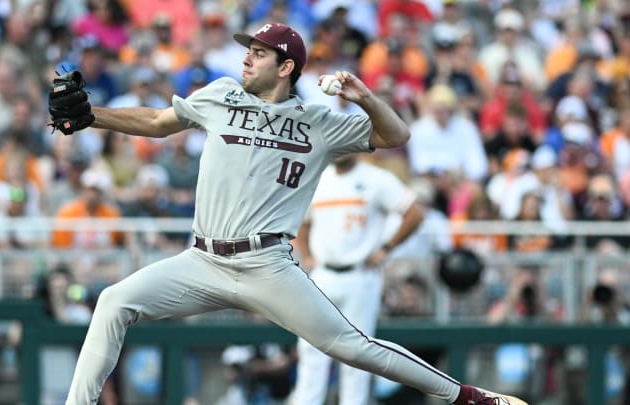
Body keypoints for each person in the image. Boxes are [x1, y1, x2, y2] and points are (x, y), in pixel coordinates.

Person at [52, 22, 527, 405]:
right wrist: (94, 116)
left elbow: (396, 136)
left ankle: (465, 397)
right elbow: (157, 122)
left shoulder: (318, 124)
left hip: (267, 264)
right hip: (202, 260)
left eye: (258, 52)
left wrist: (364, 97)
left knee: (352, 347)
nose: (246, 57)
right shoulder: (220, 95)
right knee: (114, 301)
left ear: (285, 67)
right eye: (248, 49)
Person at [291, 152, 425, 405]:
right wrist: (307, 255)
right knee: (311, 351)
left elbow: (414, 213)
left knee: (357, 355)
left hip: (360, 275)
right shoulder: (317, 178)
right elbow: (304, 222)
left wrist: (386, 248)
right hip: (323, 275)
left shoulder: (377, 179)